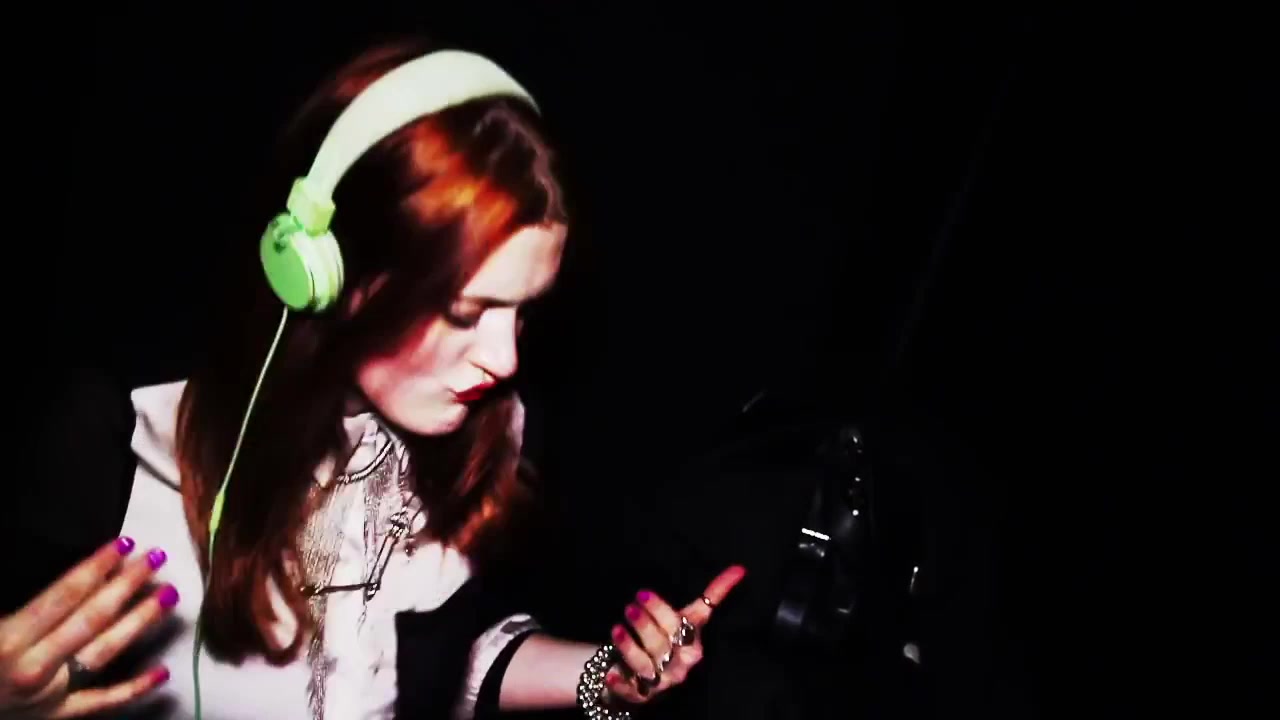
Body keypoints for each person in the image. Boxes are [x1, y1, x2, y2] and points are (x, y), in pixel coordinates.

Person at [0, 37, 744, 720]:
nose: (505, 358)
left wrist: (602, 677)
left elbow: (444, 661)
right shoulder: (114, 437)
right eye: (464, 312)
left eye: (521, 313)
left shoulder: (486, 430)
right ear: (332, 272)